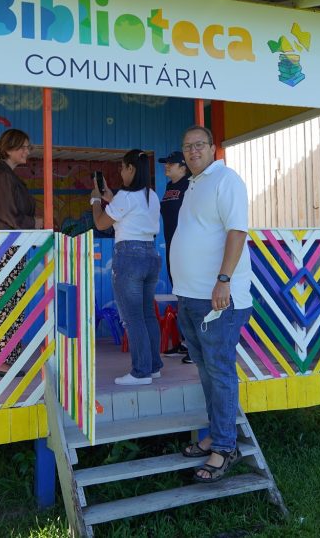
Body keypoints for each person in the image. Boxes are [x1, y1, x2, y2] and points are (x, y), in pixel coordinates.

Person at [170, 125, 252, 484]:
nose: (192, 151)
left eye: (199, 145)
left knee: (219, 371)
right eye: (187, 147)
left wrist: (223, 280)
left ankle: (224, 447)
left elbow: (237, 231)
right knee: (205, 370)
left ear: (213, 147)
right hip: (190, 295)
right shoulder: (193, 183)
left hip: (217, 297)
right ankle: (215, 434)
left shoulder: (226, 180)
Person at [91, 149, 163, 385]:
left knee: (133, 318)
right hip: (151, 254)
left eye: (122, 167)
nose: (120, 172)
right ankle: (153, 367)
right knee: (146, 315)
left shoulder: (126, 196)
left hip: (129, 257)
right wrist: (111, 198)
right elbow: (132, 213)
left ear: (131, 168)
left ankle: (140, 372)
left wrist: (95, 200)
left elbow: (101, 223)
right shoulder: (151, 195)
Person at [0, 128, 38, 376]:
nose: (27, 151)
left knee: (12, 303)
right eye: (23, 146)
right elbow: (9, 214)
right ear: (8, 148)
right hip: (3, 245)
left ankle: (2, 356)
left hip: (10, 245)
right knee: (5, 303)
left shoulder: (5, 174)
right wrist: (36, 223)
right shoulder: (1, 175)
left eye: (28, 146)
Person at [158, 150, 193, 362]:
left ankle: (195, 348)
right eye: (166, 163)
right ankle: (185, 342)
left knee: (191, 296)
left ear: (183, 166)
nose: (166, 166)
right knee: (180, 294)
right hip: (172, 248)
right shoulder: (170, 187)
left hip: (188, 250)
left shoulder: (190, 186)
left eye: (171, 163)